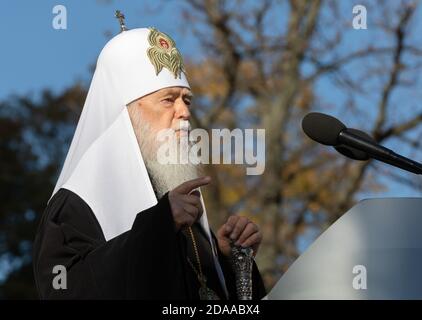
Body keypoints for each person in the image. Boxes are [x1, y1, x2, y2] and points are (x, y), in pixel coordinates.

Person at [33, 16, 266, 300]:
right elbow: (66, 290)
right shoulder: (76, 204)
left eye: (187, 100)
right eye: (169, 99)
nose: (185, 112)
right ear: (126, 113)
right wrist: (158, 227)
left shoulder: (182, 207)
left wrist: (230, 263)